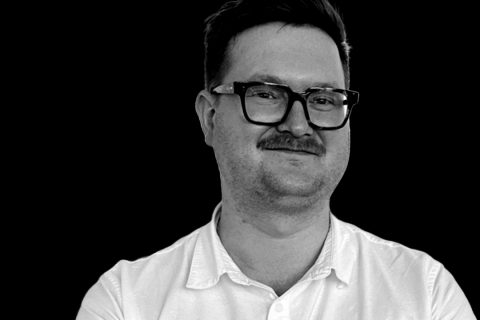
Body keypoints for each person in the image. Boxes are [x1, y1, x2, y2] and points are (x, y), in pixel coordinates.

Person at [76, 0, 476, 319]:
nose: (299, 125)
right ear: (210, 117)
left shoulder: (427, 294)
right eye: (267, 93)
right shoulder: (125, 302)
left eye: (322, 99)